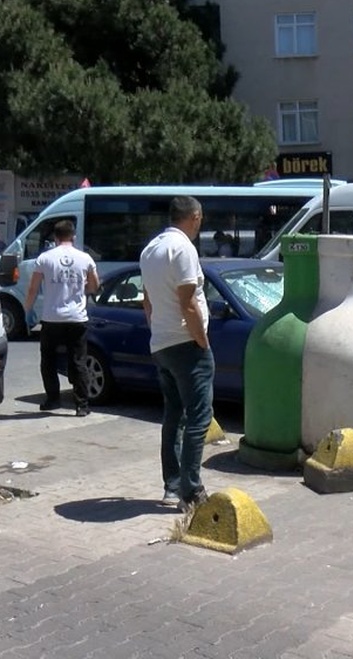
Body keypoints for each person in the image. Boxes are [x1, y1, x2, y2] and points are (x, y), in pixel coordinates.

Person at [140, 196, 214, 512]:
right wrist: (202, 341)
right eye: (201, 219)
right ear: (194, 217)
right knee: (199, 416)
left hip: (162, 343)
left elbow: (147, 300)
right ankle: (191, 490)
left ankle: (172, 485)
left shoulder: (150, 250)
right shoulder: (183, 248)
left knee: (174, 415)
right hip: (186, 343)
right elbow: (188, 302)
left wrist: (158, 331)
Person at [24, 220, 99, 417]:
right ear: (73, 236)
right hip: (77, 318)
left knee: (48, 360)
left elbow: (33, 288)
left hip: (52, 318)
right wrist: (82, 289)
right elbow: (94, 286)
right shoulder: (85, 258)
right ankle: (82, 405)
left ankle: (52, 399)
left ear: (55, 238)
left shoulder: (44, 258)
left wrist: (27, 309)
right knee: (78, 361)